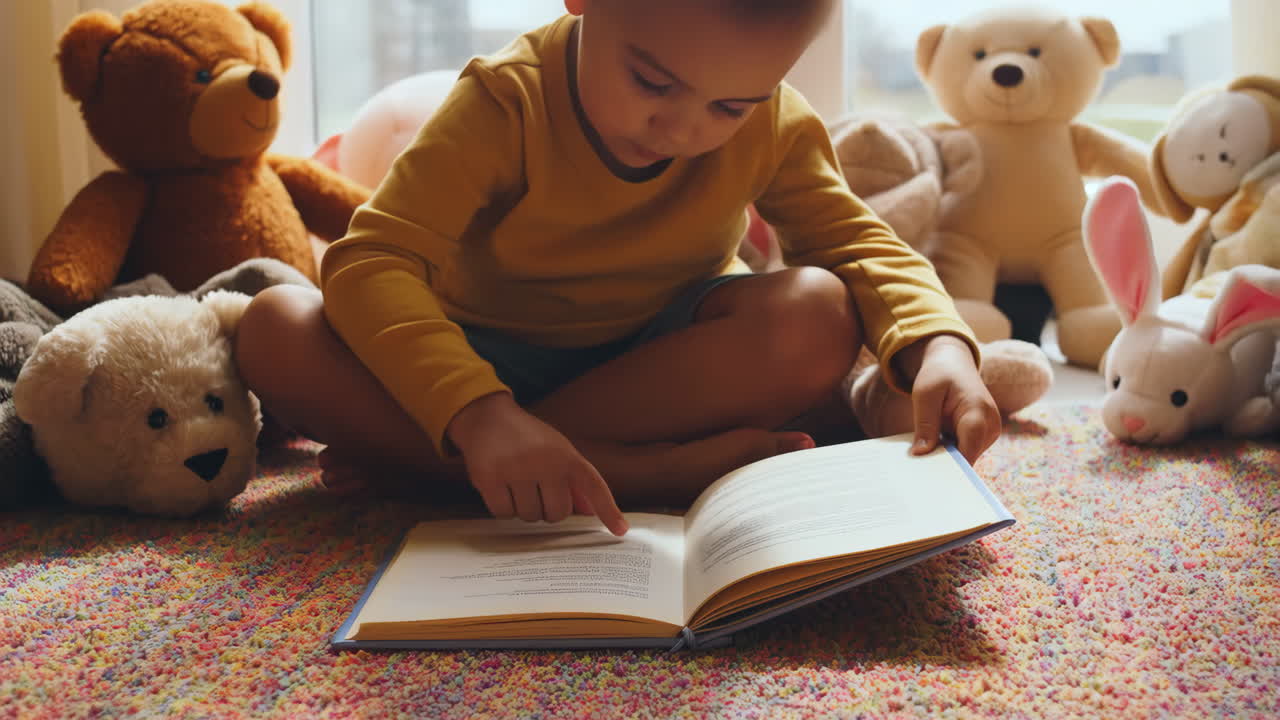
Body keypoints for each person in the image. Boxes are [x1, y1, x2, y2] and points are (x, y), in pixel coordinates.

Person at [235, 0, 1001, 538]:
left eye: (729, 107)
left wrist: (941, 346)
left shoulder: (773, 122)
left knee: (820, 312)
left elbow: (855, 244)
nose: (682, 128)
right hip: (475, 362)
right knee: (271, 323)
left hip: (658, 370)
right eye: (652, 82)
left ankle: (442, 471)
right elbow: (373, 259)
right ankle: (636, 474)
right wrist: (480, 415)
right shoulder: (506, 101)